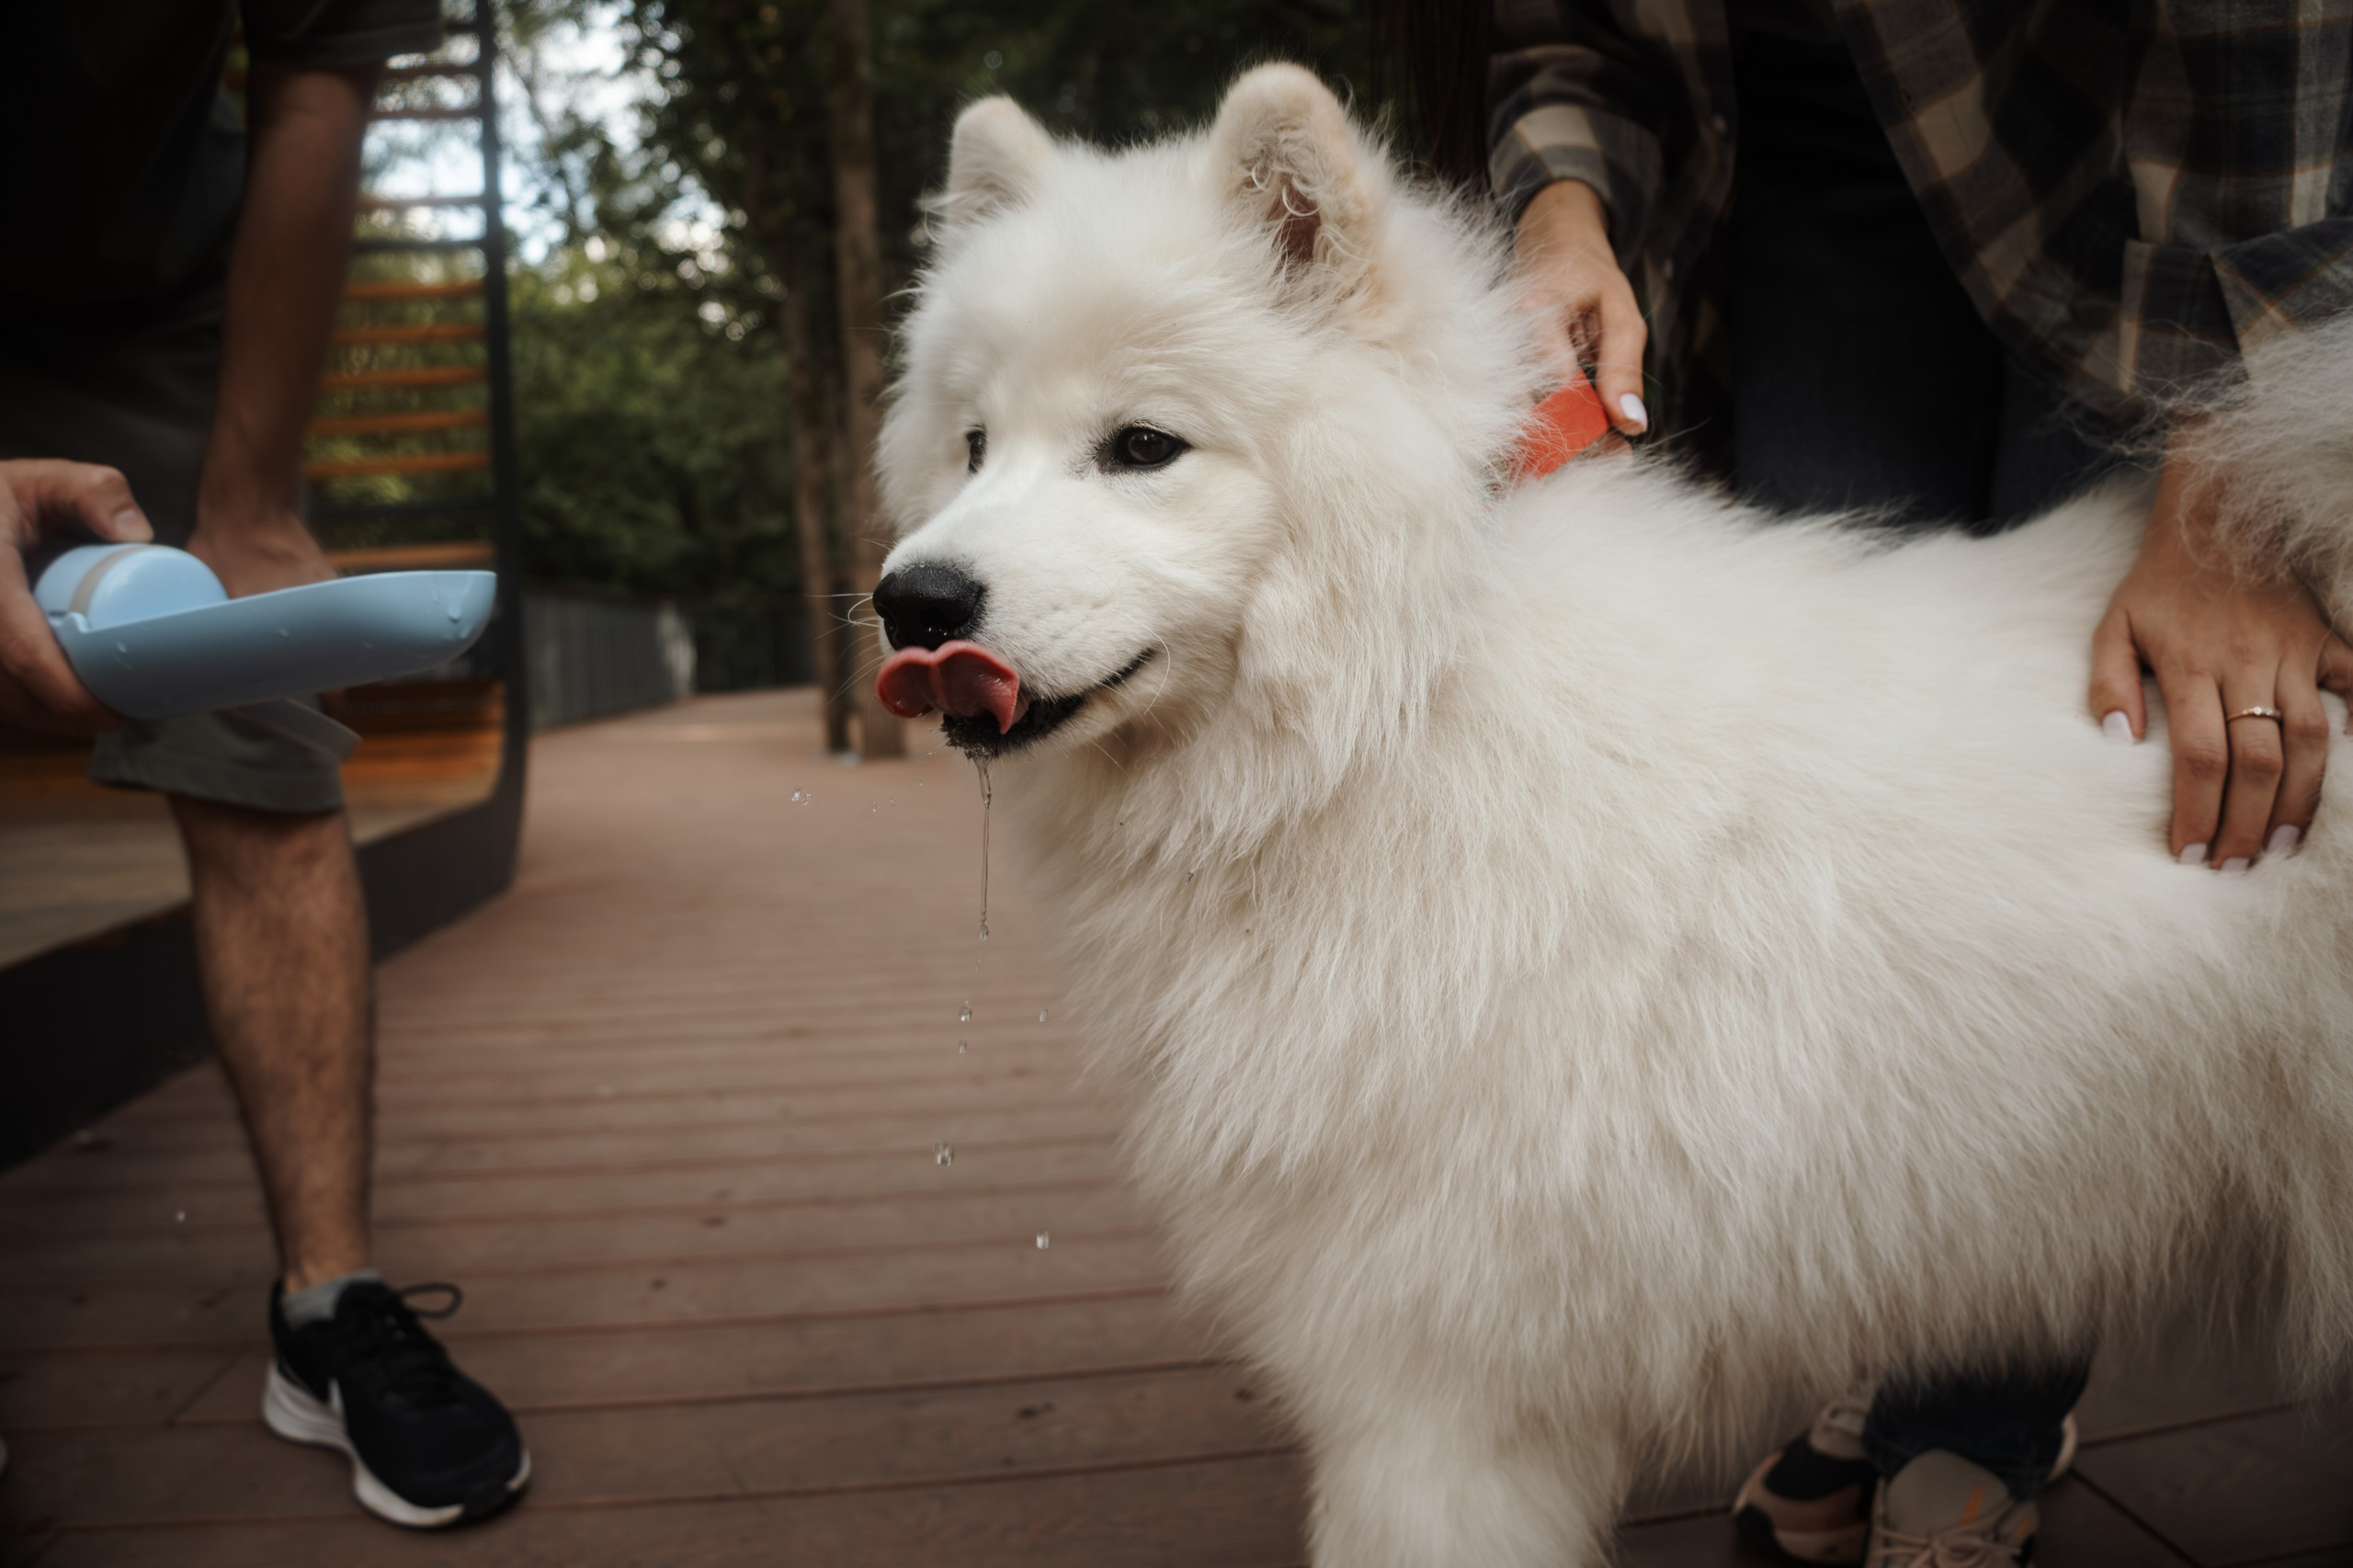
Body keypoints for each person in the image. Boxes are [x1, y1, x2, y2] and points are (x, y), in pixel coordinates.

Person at [1378, 0, 2353, 1561]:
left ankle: (1971, 1415)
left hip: (2153, 143)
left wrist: (2224, 467)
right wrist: (1562, 206)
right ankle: (1917, 1340)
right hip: (1808, 137)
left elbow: (2269, 32)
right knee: (1870, 818)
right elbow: (1571, 30)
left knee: (2095, 766)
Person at [0, 5, 529, 1530]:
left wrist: (246, 495)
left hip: (152, 294)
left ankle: (328, 1306)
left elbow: (319, 85)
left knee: (257, 736)